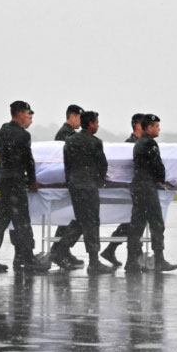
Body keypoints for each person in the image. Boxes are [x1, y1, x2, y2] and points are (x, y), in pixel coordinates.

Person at [0, 100, 48, 273]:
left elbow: (0, 158)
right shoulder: (23, 135)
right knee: (22, 221)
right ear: (21, 113)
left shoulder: (2, 131)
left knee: (2, 218)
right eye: (28, 113)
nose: (29, 117)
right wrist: (32, 181)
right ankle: (28, 258)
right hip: (16, 182)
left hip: (5, 180)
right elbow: (28, 161)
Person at [60, 110, 114, 275]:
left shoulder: (69, 141)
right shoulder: (95, 142)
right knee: (91, 222)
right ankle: (93, 262)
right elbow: (102, 166)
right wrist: (99, 181)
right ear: (90, 124)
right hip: (88, 186)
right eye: (96, 122)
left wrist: (71, 182)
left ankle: (59, 249)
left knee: (82, 220)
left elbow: (67, 164)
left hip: (75, 185)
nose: (97, 125)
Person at [125, 113, 177, 274]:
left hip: (137, 186)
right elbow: (158, 167)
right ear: (148, 128)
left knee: (137, 225)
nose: (159, 129)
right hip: (147, 187)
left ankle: (131, 261)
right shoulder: (150, 144)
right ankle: (159, 260)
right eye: (156, 126)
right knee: (156, 223)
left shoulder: (138, 143)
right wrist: (161, 179)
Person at [100, 112, 144, 267]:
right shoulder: (129, 145)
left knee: (132, 221)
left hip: (133, 187)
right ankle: (134, 256)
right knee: (134, 221)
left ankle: (113, 250)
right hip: (130, 188)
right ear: (137, 125)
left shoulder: (140, 142)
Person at [50, 104, 85, 269]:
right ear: (72, 116)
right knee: (69, 216)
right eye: (79, 117)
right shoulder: (66, 135)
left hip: (70, 179)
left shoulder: (68, 133)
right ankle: (59, 250)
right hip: (70, 179)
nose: (81, 120)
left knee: (68, 217)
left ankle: (61, 249)